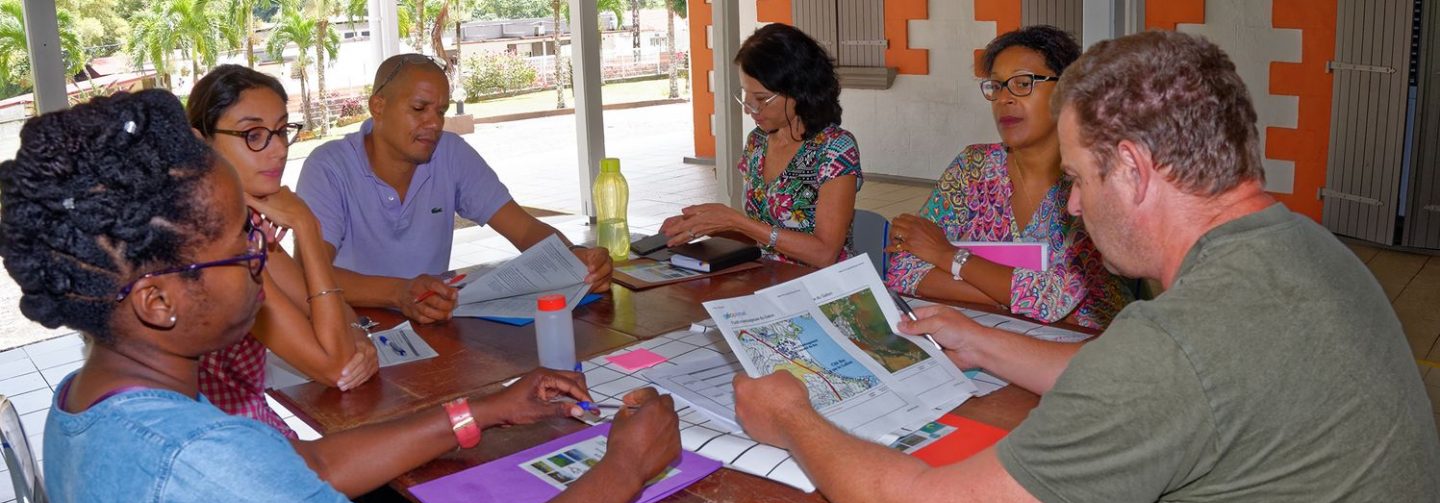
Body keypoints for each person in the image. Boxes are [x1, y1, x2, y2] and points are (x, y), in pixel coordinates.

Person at [733, 30, 1440, 503]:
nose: (1072, 205)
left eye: (1076, 179)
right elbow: (1174, 380)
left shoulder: (1173, 347)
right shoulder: (1310, 249)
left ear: (1133, 169)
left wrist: (791, 415)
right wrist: (983, 342)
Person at [0, 89, 680, 503]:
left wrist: (485, 408)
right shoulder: (198, 468)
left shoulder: (94, 402)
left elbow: (309, 467)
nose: (260, 260)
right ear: (158, 301)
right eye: (243, 247)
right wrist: (625, 464)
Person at [296, 54, 613, 324]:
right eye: (419, 108)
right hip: (351, 329)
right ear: (378, 106)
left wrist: (574, 258)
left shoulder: (449, 153)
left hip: (431, 326)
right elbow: (308, 273)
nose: (434, 123)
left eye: (441, 111)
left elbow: (524, 228)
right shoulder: (329, 168)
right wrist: (398, 292)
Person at [884, 26, 1131, 329]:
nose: (1004, 99)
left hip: (1087, 343)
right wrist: (1008, 296)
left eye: (1023, 84)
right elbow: (903, 269)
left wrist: (946, 255)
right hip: (984, 332)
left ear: (1069, 92)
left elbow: (1055, 300)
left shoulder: (1093, 178)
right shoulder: (973, 168)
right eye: (997, 86)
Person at [185, 65, 377, 437]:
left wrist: (357, 333)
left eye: (281, 130)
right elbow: (335, 366)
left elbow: (323, 305)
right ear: (199, 143)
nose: (278, 150)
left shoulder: (244, 218)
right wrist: (307, 226)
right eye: (253, 135)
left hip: (248, 427)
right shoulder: (212, 241)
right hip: (216, 443)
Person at [660, 23, 862, 267]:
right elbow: (759, 235)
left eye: (761, 98)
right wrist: (703, 224)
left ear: (798, 90)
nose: (749, 108)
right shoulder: (758, 142)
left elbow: (824, 253)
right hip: (766, 277)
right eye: (746, 94)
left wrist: (736, 221)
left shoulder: (835, 149)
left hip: (823, 284)